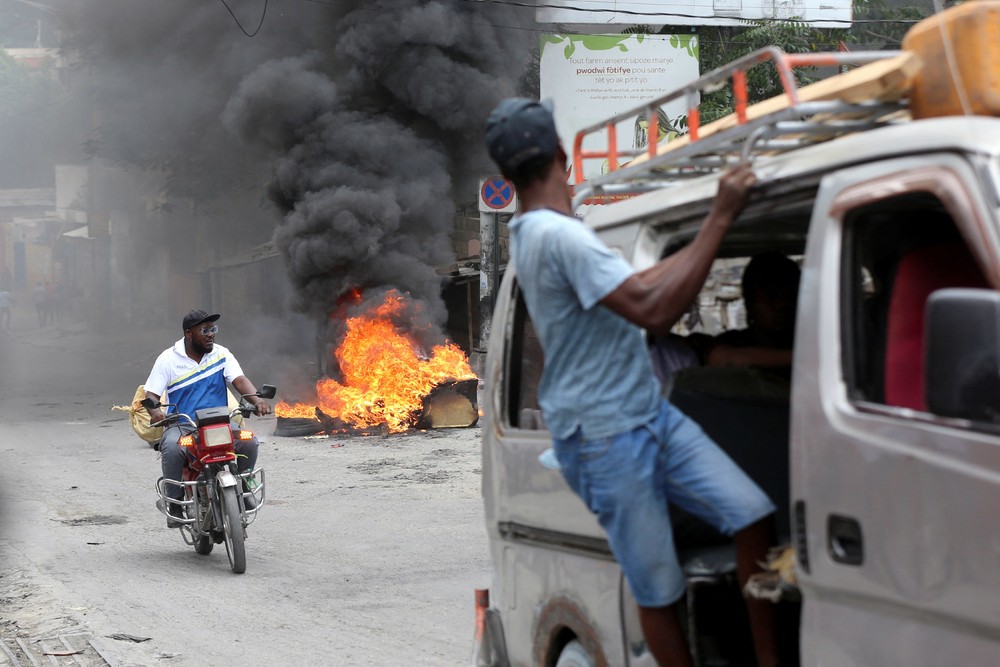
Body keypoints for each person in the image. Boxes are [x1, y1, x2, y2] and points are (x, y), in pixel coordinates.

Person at [485, 98, 780, 667]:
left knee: (751, 514)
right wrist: (720, 215)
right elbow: (653, 310)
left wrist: (694, 241)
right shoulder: (559, 236)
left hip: (648, 413)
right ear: (562, 156)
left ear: (506, 176)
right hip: (605, 439)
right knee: (659, 591)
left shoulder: (539, 232)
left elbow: (636, 286)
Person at [144, 309, 272, 528]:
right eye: (205, 330)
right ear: (188, 333)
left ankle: (242, 485)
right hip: (184, 424)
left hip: (219, 423)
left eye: (213, 329)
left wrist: (257, 400)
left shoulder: (221, 354)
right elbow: (151, 394)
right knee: (173, 449)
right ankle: (174, 503)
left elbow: (239, 380)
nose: (211, 334)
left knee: (249, 441)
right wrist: (156, 412)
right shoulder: (168, 359)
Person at [706, 251, 800, 370]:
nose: (781, 304)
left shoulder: (813, 339)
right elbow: (723, 359)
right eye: (770, 296)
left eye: (790, 296)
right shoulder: (735, 341)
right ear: (750, 302)